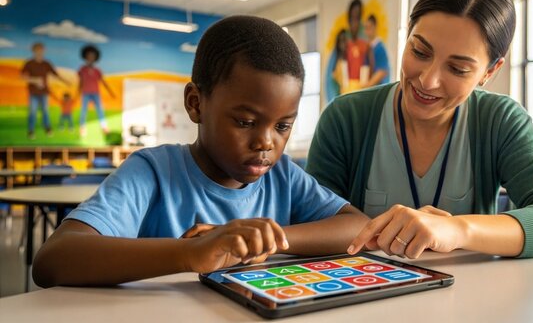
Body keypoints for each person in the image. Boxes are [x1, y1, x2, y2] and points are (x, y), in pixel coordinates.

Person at [33, 16, 369, 287]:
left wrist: (265, 239)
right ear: (196, 104)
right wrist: (190, 252)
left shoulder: (283, 176)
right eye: (245, 121)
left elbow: (358, 227)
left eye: (283, 126)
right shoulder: (152, 171)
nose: (266, 143)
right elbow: (54, 259)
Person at [306, 0, 533, 259]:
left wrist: (457, 229)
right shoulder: (345, 118)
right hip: (358, 293)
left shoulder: (500, 120)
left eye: (457, 69)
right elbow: (311, 220)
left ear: (489, 72)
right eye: (419, 51)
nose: (428, 81)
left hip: (469, 300)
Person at [21, 42, 72, 139]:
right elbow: (22, 77)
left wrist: (66, 81)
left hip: (44, 92)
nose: (40, 52)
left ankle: (47, 128)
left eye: (41, 50)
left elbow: (55, 74)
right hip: (33, 92)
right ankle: (31, 131)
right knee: (33, 111)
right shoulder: (29, 63)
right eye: (37, 50)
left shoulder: (46, 63)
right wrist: (34, 80)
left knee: (45, 111)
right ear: (34, 51)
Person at [78, 45, 115, 136]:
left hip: (95, 93)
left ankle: (104, 127)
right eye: (89, 56)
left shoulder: (97, 70)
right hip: (85, 93)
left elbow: (103, 81)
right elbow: (80, 82)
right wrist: (78, 93)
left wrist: (110, 92)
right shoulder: (82, 69)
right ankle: (82, 127)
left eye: (92, 56)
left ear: (95, 58)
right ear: (85, 57)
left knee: (100, 110)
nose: (90, 58)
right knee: (84, 110)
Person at [344, 0, 374, 94]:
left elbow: (371, 65)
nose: (354, 24)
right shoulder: (345, 41)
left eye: (357, 19)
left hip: (361, 86)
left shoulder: (365, 42)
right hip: (348, 87)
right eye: (352, 19)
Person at [364, 14, 391, 87]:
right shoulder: (368, 48)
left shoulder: (380, 48)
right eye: (366, 28)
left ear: (375, 27)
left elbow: (382, 72)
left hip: (379, 89)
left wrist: (367, 86)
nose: (367, 31)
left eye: (369, 27)